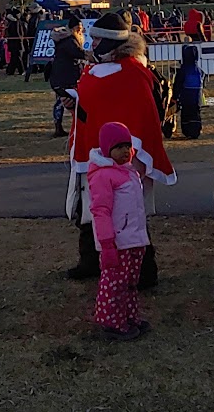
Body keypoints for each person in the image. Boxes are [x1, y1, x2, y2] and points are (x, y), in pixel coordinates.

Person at [64, 10, 175, 285]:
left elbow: (142, 117)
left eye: (97, 40)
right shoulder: (93, 70)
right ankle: (91, 261)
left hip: (123, 158)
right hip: (93, 151)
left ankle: (144, 270)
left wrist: (131, 157)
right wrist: (75, 104)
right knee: (92, 209)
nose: (92, 44)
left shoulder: (134, 73)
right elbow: (93, 107)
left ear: (110, 41)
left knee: (129, 214)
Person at [87, 121, 151, 341]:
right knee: (114, 284)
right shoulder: (103, 176)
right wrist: (107, 244)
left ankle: (129, 316)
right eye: (119, 147)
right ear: (107, 149)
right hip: (117, 242)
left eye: (128, 146)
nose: (125, 151)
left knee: (131, 282)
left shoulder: (129, 172)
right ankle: (111, 322)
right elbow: (101, 211)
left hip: (134, 239)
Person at [48, 18, 87, 138]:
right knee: (63, 101)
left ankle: (61, 126)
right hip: (64, 76)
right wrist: (92, 56)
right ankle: (59, 127)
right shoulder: (70, 41)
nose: (80, 31)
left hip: (63, 75)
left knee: (63, 101)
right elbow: (79, 53)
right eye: (78, 29)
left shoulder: (66, 39)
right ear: (72, 29)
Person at [173, 43, 205, 139]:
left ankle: (188, 131)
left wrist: (175, 97)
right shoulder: (199, 70)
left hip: (186, 97)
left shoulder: (183, 70)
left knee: (186, 115)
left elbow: (178, 84)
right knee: (196, 114)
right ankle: (196, 130)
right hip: (197, 98)